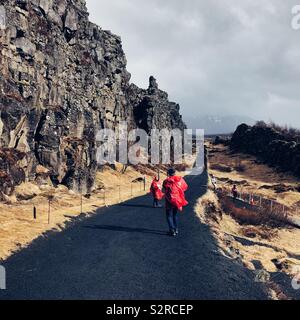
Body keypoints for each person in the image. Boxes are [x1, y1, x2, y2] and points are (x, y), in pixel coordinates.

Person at [163, 168, 188, 237]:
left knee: (168, 215)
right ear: (174, 173)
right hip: (177, 200)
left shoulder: (166, 181)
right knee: (175, 215)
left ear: (168, 173)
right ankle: (176, 229)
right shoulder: (180, 180)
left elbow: (164, 188)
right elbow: (185, 187)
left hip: (169, 201)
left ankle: (172, 230)